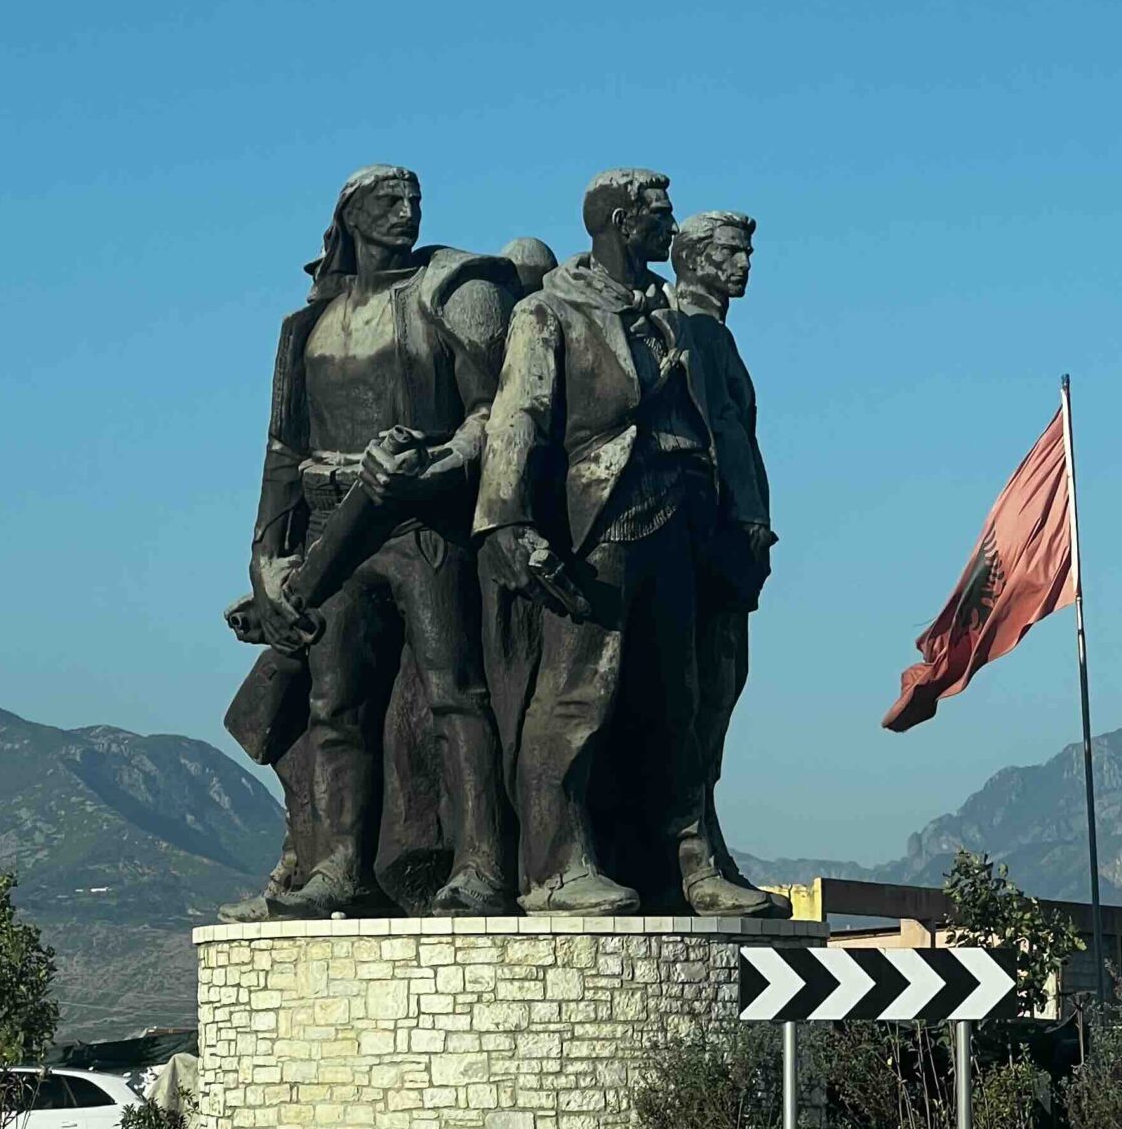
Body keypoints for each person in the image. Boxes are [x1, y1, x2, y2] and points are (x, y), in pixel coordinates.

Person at [476, 169, 780, 917]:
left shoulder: (674, 318)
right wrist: (508, 524)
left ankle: (689, 864)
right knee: (579, 694)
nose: (669, 230)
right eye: (659, 217)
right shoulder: (551, 311)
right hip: (598, 521)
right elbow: (517, 420)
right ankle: (556, 866)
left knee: (679, 702)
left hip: (680, 524)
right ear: (619, 220)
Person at [238, 165, 519, 916]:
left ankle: (481, 865)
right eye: (389, 202)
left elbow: (492, 416)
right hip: (334, 528)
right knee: (336, 704)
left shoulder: (449, 295)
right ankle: (341, 867)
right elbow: (280, 452)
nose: (408, 212)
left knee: (457, 691)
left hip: (421, 525)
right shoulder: (306, 327)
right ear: (351, 216)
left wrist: (433, 468)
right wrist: (265, 558)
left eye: (415, 201)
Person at [671, 210, 775, 895]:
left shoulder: (719, 334)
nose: (744, 263)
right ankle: (689, 850)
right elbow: (708, 433)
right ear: (694, 256)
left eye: (748, 252)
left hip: (733, 546)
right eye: (730, 251)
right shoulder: (684, 328)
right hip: (702, 544)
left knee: (720, 697)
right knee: (696, 700)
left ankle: (705, 838)